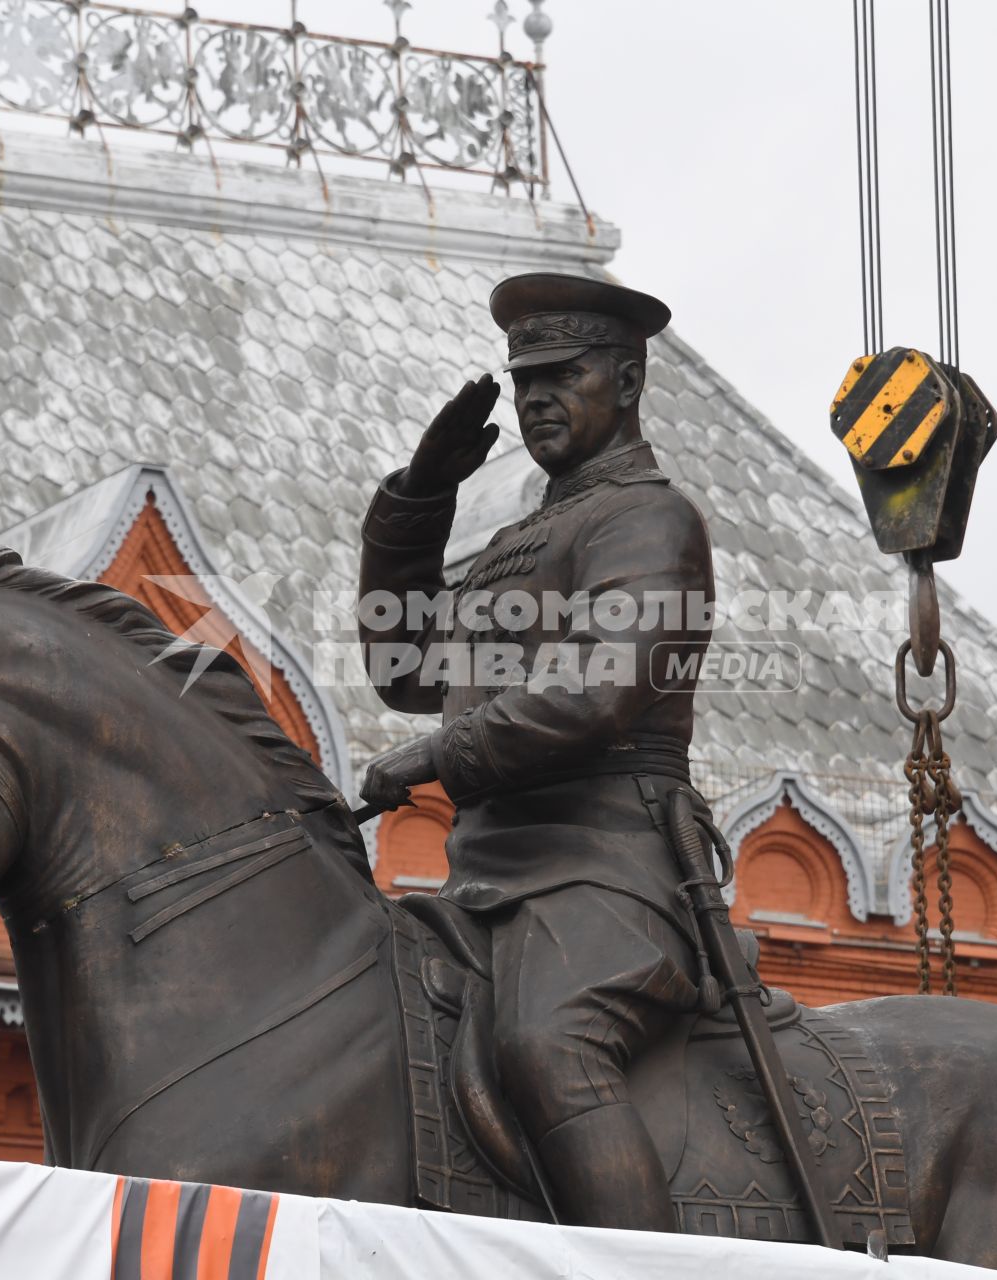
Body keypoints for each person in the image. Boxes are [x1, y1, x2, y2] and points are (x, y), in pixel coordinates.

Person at [355, 273, 715, 1230]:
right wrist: (418, 500)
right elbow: (404, 667)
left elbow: (599, 688)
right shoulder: (523, 538)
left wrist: (433, 757)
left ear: (629, 381)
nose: (536, 398)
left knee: (548, 1044)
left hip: (605, 869)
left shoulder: (648, 519)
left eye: (564, 374)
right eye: (524, 382)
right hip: (488, 879)